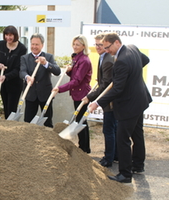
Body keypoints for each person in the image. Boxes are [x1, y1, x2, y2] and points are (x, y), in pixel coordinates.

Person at [88, 33, 152, 183]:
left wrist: (97, 103)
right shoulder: (133, 48)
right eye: (104, 48)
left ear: (116, 42)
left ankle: (125, 174)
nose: (106, 50)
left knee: (122, 139)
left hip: (129, 105)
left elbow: (117, 90)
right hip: (140, 100)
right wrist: (132, 74)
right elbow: (145, 60)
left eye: (108, 47)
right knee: (137, 134)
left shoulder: (121, 61)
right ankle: (138, 165)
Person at [82, 33, 117, 166]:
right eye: (96, 44)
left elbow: (105, 86)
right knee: (113, 128)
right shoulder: (103, 57)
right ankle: (115, 155)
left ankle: (108, 159)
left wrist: (90, 97)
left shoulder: (107, 59)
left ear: (106, 44)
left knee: (108, 129)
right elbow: (104, 81)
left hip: (110, 100)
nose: (97, 47)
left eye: (100, 44)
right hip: (108, 97)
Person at [52, 35, 92, 153]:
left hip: (82, 94)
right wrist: (69, 71)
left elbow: (77, 81)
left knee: (81, 121)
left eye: (78, 45)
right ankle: (84, 146)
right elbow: (75, 76)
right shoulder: (77, 58)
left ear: (83, 46)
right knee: (80, 119)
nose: (75, 47)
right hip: (77, 93)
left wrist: (60, 88)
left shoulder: (84, 60)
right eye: (74, 44)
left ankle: (84, 148)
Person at [19, 33, 61, 128]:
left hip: (45, 94)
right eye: (32, 44)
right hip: (30, 94)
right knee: (28, 122)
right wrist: (27, 77)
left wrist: (45, 63)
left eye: (37, 44)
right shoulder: (25, 58)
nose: (34, 46)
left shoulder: (48, 57)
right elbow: (22, 71)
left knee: (47, 121)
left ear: (42, 45)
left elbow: (57, 71)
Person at [0, 25, 27, 119]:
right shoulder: (1, 44)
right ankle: (6, 128)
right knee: (5, 107)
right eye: (6, 35)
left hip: (14, 83)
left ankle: (11, 127)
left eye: (10, 35)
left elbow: (18, 68)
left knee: (12, 108)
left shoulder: (22, 48)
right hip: (1, 82)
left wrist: (7, 76)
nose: (8, 37)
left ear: (15, 35)